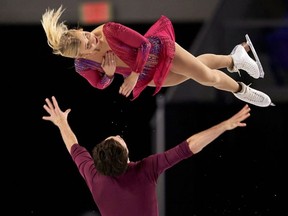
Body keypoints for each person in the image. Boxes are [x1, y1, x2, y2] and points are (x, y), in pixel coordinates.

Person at [42, 95, 251, 216]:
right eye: (117, 139)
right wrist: (224, 125)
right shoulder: (146, 169)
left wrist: (61, 122)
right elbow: (189, 147)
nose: (116, 134)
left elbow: (73, 146)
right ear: (126, 158)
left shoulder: (93, 176)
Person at [41, 5, 274, 107]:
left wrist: (132, 76)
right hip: (147, 75)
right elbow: (99, 85)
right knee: (196, 71)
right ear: (79, 56)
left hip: (157, 50)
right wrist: (109, 76)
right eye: (87, 48)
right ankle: (235, 59)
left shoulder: (108, 30)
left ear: (81, 31)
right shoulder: (83, 65)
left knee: (206, 77)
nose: (92, 43)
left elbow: (142, 44)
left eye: (87, 38)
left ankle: (242, 90)